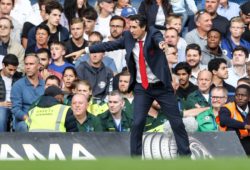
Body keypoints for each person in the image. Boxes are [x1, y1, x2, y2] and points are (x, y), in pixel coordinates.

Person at [66, 14, 191, 157]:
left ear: (143, 27)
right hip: (142, 88)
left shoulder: (153, 33)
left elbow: (158, 40)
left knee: (176, 122)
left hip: (161, 87)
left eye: (134, 27)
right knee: (137, 123)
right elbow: (109, 45)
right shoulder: (128, 37)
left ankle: (185, 156)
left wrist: (163, 45)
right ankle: (135, 160)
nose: (131, 30)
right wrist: (85, 50)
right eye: (130, 26)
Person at [11, 53, 45, 132]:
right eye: (26, 64)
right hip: (24, 120)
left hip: (43, 117)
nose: (28, 67)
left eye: (31, 64)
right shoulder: (18, 85)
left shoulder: (45, 84)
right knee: (24, 126)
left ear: (39, 66)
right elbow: (16, 109)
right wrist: (29, 119)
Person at [218, 84, 250, 155]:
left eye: (243, 95)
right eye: (237, 95)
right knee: (231, 128)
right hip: (234, 142)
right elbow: (224, 120)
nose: (240, 98)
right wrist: (246, 126)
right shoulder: (227, 108)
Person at [0, 54, 22, 132]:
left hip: (16, 106)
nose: (12, 73)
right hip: (2, 107)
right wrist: (1, 104)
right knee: (1, 114)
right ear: (3, 65)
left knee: (19, 117)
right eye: (10, 69)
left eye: (14, 70)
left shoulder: (20, 77)